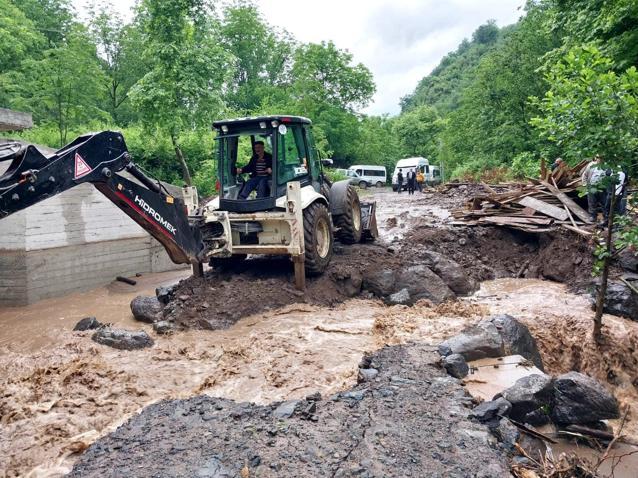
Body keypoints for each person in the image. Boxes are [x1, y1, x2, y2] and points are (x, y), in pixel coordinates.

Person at [581, 156, 606, 221]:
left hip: (603, 187)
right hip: (592, 186)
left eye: (601, 158)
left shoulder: (606, 166)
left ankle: (605, 216)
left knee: (604, 202)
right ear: (595, 158)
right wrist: (585, 184)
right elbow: (584, 175)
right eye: (598, 158)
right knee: (592, 202)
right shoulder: (591, 165)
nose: (599, 159)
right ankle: (592, 216)